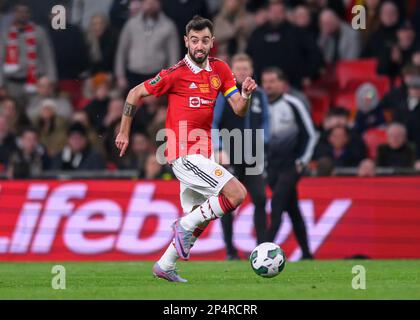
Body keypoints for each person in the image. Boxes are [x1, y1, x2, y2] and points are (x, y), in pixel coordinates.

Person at [115, 16, 257, 282]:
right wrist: (124, 131)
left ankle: (165, 264)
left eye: (205, 40)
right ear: (186, 42)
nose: (199, 45)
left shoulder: (221, 70)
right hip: (183, 153)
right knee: (236, 195)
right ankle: (183, 226)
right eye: (194, 40)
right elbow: (135, 93)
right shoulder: (175, 73)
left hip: (204, 153)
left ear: (212, 42)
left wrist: (246, 95)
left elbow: (239, 109)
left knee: (198, 219)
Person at [212, 53, 269, 258]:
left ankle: (262, 247)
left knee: (261, 199)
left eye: (246, 68)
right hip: (231, 155)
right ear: (232, 72)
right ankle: (230, 250)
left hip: (253, 157)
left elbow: (265, 122)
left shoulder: (260, 95)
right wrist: (219, 148)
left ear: (251, 71)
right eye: (239, 69)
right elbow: (214, 123)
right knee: (229, 203)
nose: (243, 72)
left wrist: (264, 143)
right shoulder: (224, 94)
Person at [261, 67, 317, 260]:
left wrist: (302, 161)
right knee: (292, 209)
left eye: (272, 81)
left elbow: (311, 134)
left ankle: (263, 252)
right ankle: (307, 254)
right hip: (271, 168)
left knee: (277, 205)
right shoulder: (258, 106)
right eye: (265, 82)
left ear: (282, 84)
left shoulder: (293, 104)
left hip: (291, 165)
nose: (268, 85)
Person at [0, 2, 57, 108]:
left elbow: (47, 57)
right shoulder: (5, 33)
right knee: (15, 113)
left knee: (34, 112)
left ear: (29, 14)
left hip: (35, 83)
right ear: (14, 13)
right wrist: (1, 84)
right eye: (19, 11)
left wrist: (51, 79)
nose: (22, 14)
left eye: (26, 12)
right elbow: (0, 58)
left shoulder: (39, 32)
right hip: (13, 84)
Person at [115, 0, 180, 92]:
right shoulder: (131, 24)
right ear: (142, 4)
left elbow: (173, 54)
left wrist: (170, 78)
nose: (150, 6)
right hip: (133, 74)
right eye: (147, 3)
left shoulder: (168, 26)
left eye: (154, 3)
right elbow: (122, 51)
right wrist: (120, 75)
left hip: (156, 75)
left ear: (159, 4)